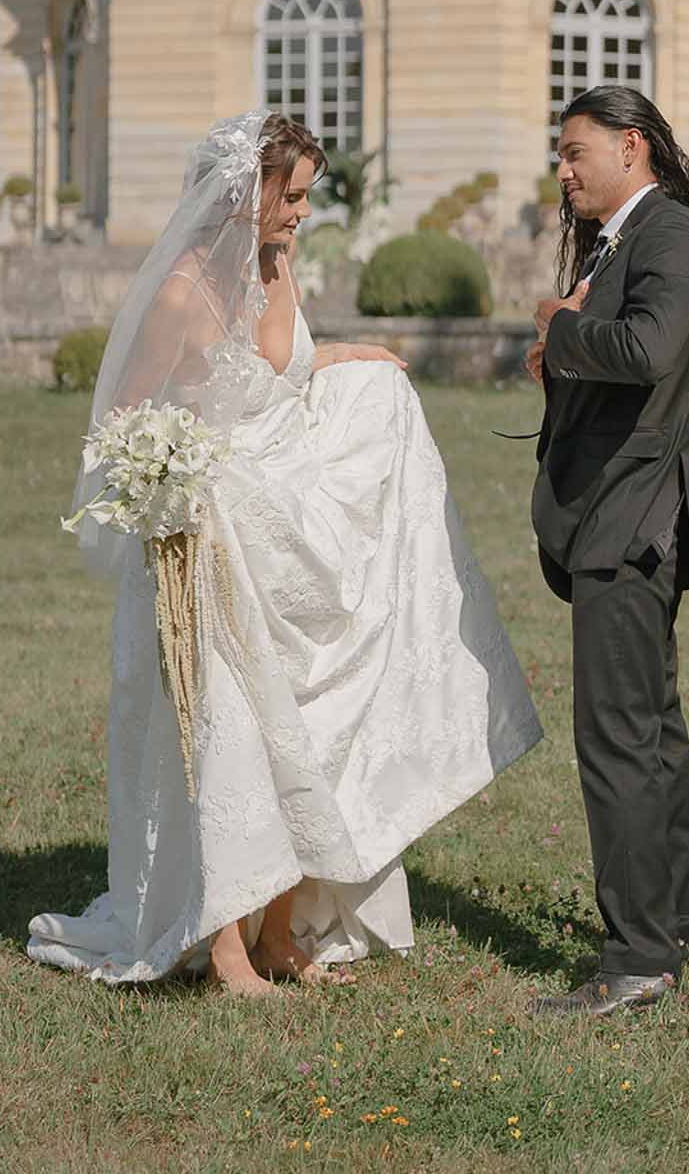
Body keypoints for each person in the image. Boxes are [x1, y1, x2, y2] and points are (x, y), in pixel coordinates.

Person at [28, 110, 541, 996]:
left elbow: (282, 373)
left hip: (290, 518)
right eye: (292, 196)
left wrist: (356, 358)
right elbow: (126, 426)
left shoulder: (273, 269)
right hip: (216, 532)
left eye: (306, 196)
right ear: (245, 192)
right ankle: (226, 949)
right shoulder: (181, 296)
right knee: (229, 731)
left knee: (303, 725)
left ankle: (276, 935)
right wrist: (171, 487)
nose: (303, 213)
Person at [525, 84, 689, 1018]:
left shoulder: (670, 236)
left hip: (631, 517)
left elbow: (647, 351)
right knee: (652, 734)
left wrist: (560, 330)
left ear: (631, 147)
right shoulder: (628, 242)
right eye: (559, 156)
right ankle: (685, 926)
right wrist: (563, 354)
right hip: (624, 515)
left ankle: (638, 958)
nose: (563, 171)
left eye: (575, 152)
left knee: (617, 741)